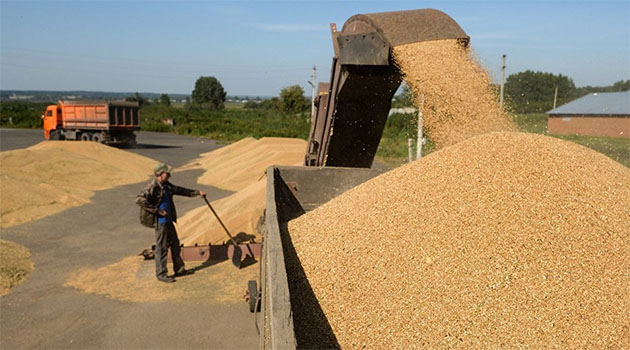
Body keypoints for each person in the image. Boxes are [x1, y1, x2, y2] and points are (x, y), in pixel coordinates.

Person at [136, 163, 206, 283]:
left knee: (175, 244)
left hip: (168, 221)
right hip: (160, 222)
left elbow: (180, 190)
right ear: (160, 174)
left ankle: (179, 270)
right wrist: (157, 211)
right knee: (162, 248)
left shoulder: (166, 186)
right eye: (167, 173)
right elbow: (139, 199)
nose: (169, 175)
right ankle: (161, 274)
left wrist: (197, 192)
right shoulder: (152, 186)